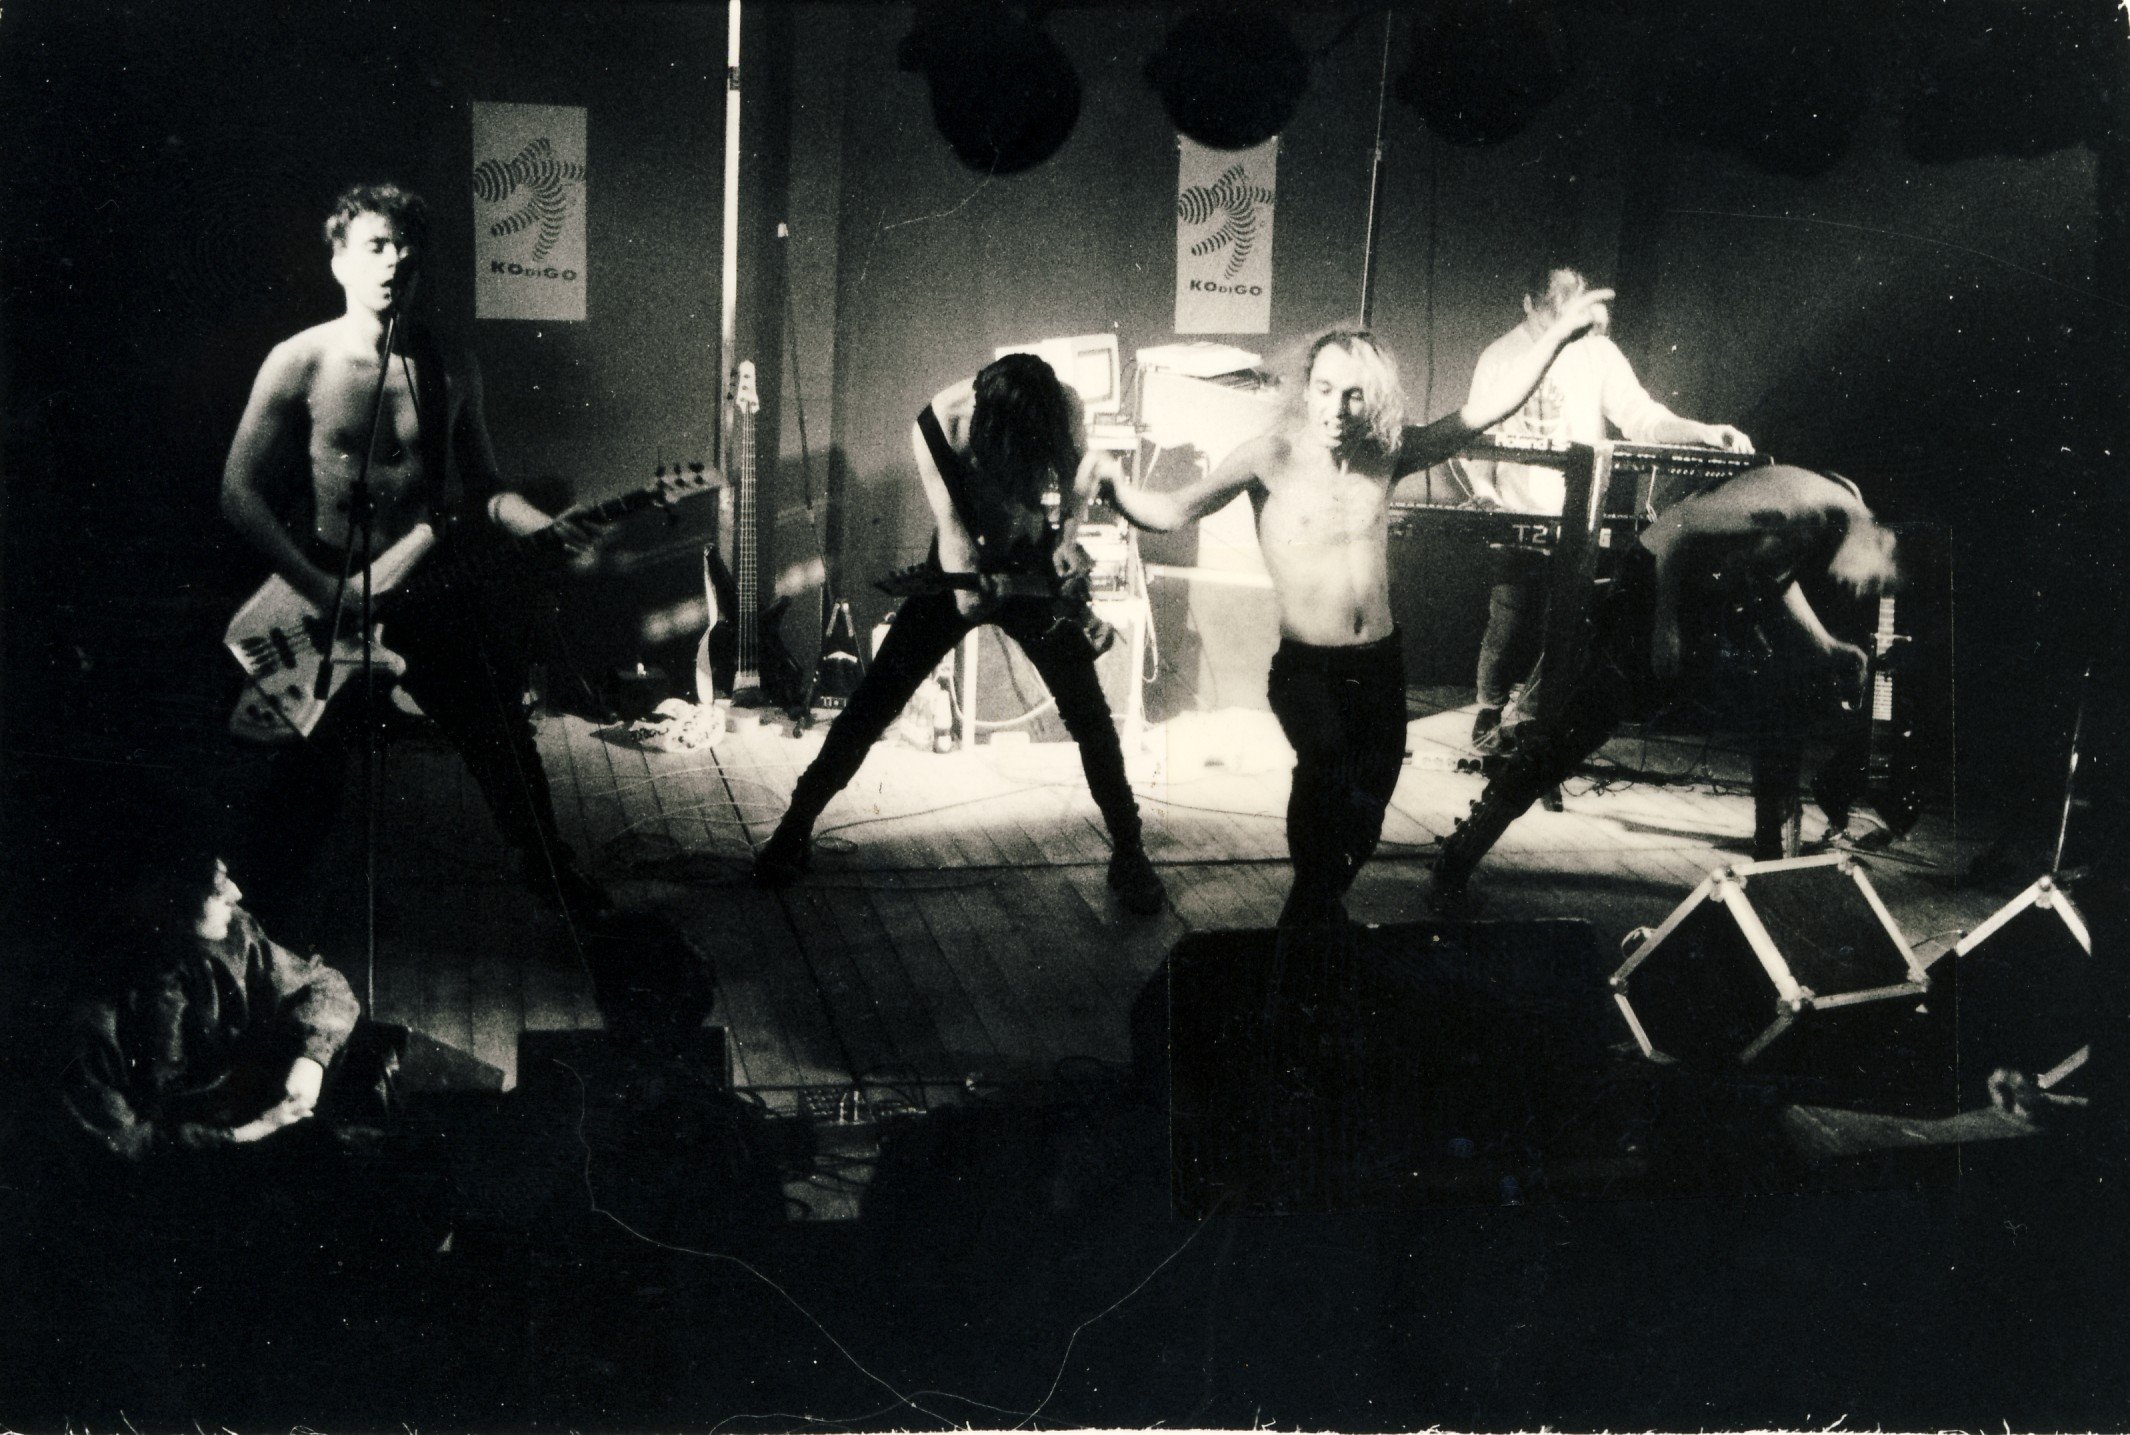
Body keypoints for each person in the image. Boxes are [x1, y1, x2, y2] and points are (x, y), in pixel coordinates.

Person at [1100, 296, 1613, 927]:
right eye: (1324, 390)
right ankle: (1307, 924)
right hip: (1308, 672)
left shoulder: (1387, 453)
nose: (1336, 409)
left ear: (1374, 400)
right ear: (1306, 389)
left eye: (1353, 395)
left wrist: (1558, 335)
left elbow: (1487, 408)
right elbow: (1174, 510)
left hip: (1379, 667)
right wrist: (1114, 486)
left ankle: (1315, 913)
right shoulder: (1269, 457)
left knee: (1368, 811)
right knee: (1326, 772)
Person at [221, 182, 607, 921]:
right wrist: (320, 588)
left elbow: (486, 487)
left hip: (428, 587)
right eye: (375, 245)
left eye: (406, 249)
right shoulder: (299, 360)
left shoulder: (449, 365)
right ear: (339, 261)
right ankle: (259, 928)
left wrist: (545, 528)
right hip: (326, 588)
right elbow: (238, 493)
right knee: (300, 781)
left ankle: (557, 884)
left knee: (501, 739)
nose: (393, 261)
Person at [754, 352, 1166, 915]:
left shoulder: (1064, 408)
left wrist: (1068, 542)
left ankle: (1129, 852)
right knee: (873, 704)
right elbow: (963, 575)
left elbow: (1076, 488)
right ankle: (794, 827)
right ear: (984, 435)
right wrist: (985, 586)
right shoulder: (937, 427)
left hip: (1032, 559)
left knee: (1089, 715)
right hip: (962, 568)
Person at [1429, 464, 1898, 914]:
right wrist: (1664, 627)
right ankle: (1458, 856)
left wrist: (1824, 645)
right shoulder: (1799, 508)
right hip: (1651, 585)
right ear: (1876, 540)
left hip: (1695, 595)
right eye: (1873, 577)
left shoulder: (1836, 509)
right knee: (1578, 729)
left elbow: (1773, 575)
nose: (1860, 587)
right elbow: (1679, 529)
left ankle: (1770, 873)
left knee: (1779, 707)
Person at [1461, 264, 1754, 748]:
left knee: (1566, 626)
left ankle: (1531, 720)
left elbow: (1642, 417)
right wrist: (1487, 495)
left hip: (1579, 517)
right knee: (1508, 618)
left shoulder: (1598, 353)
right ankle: (1488, 709)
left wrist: (1703, 432)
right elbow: (1477, 440)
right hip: (1517, 515)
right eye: (1555, 310)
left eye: (1574, 310)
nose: (1567, 322)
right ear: (1529, 304)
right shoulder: (1499, 357)